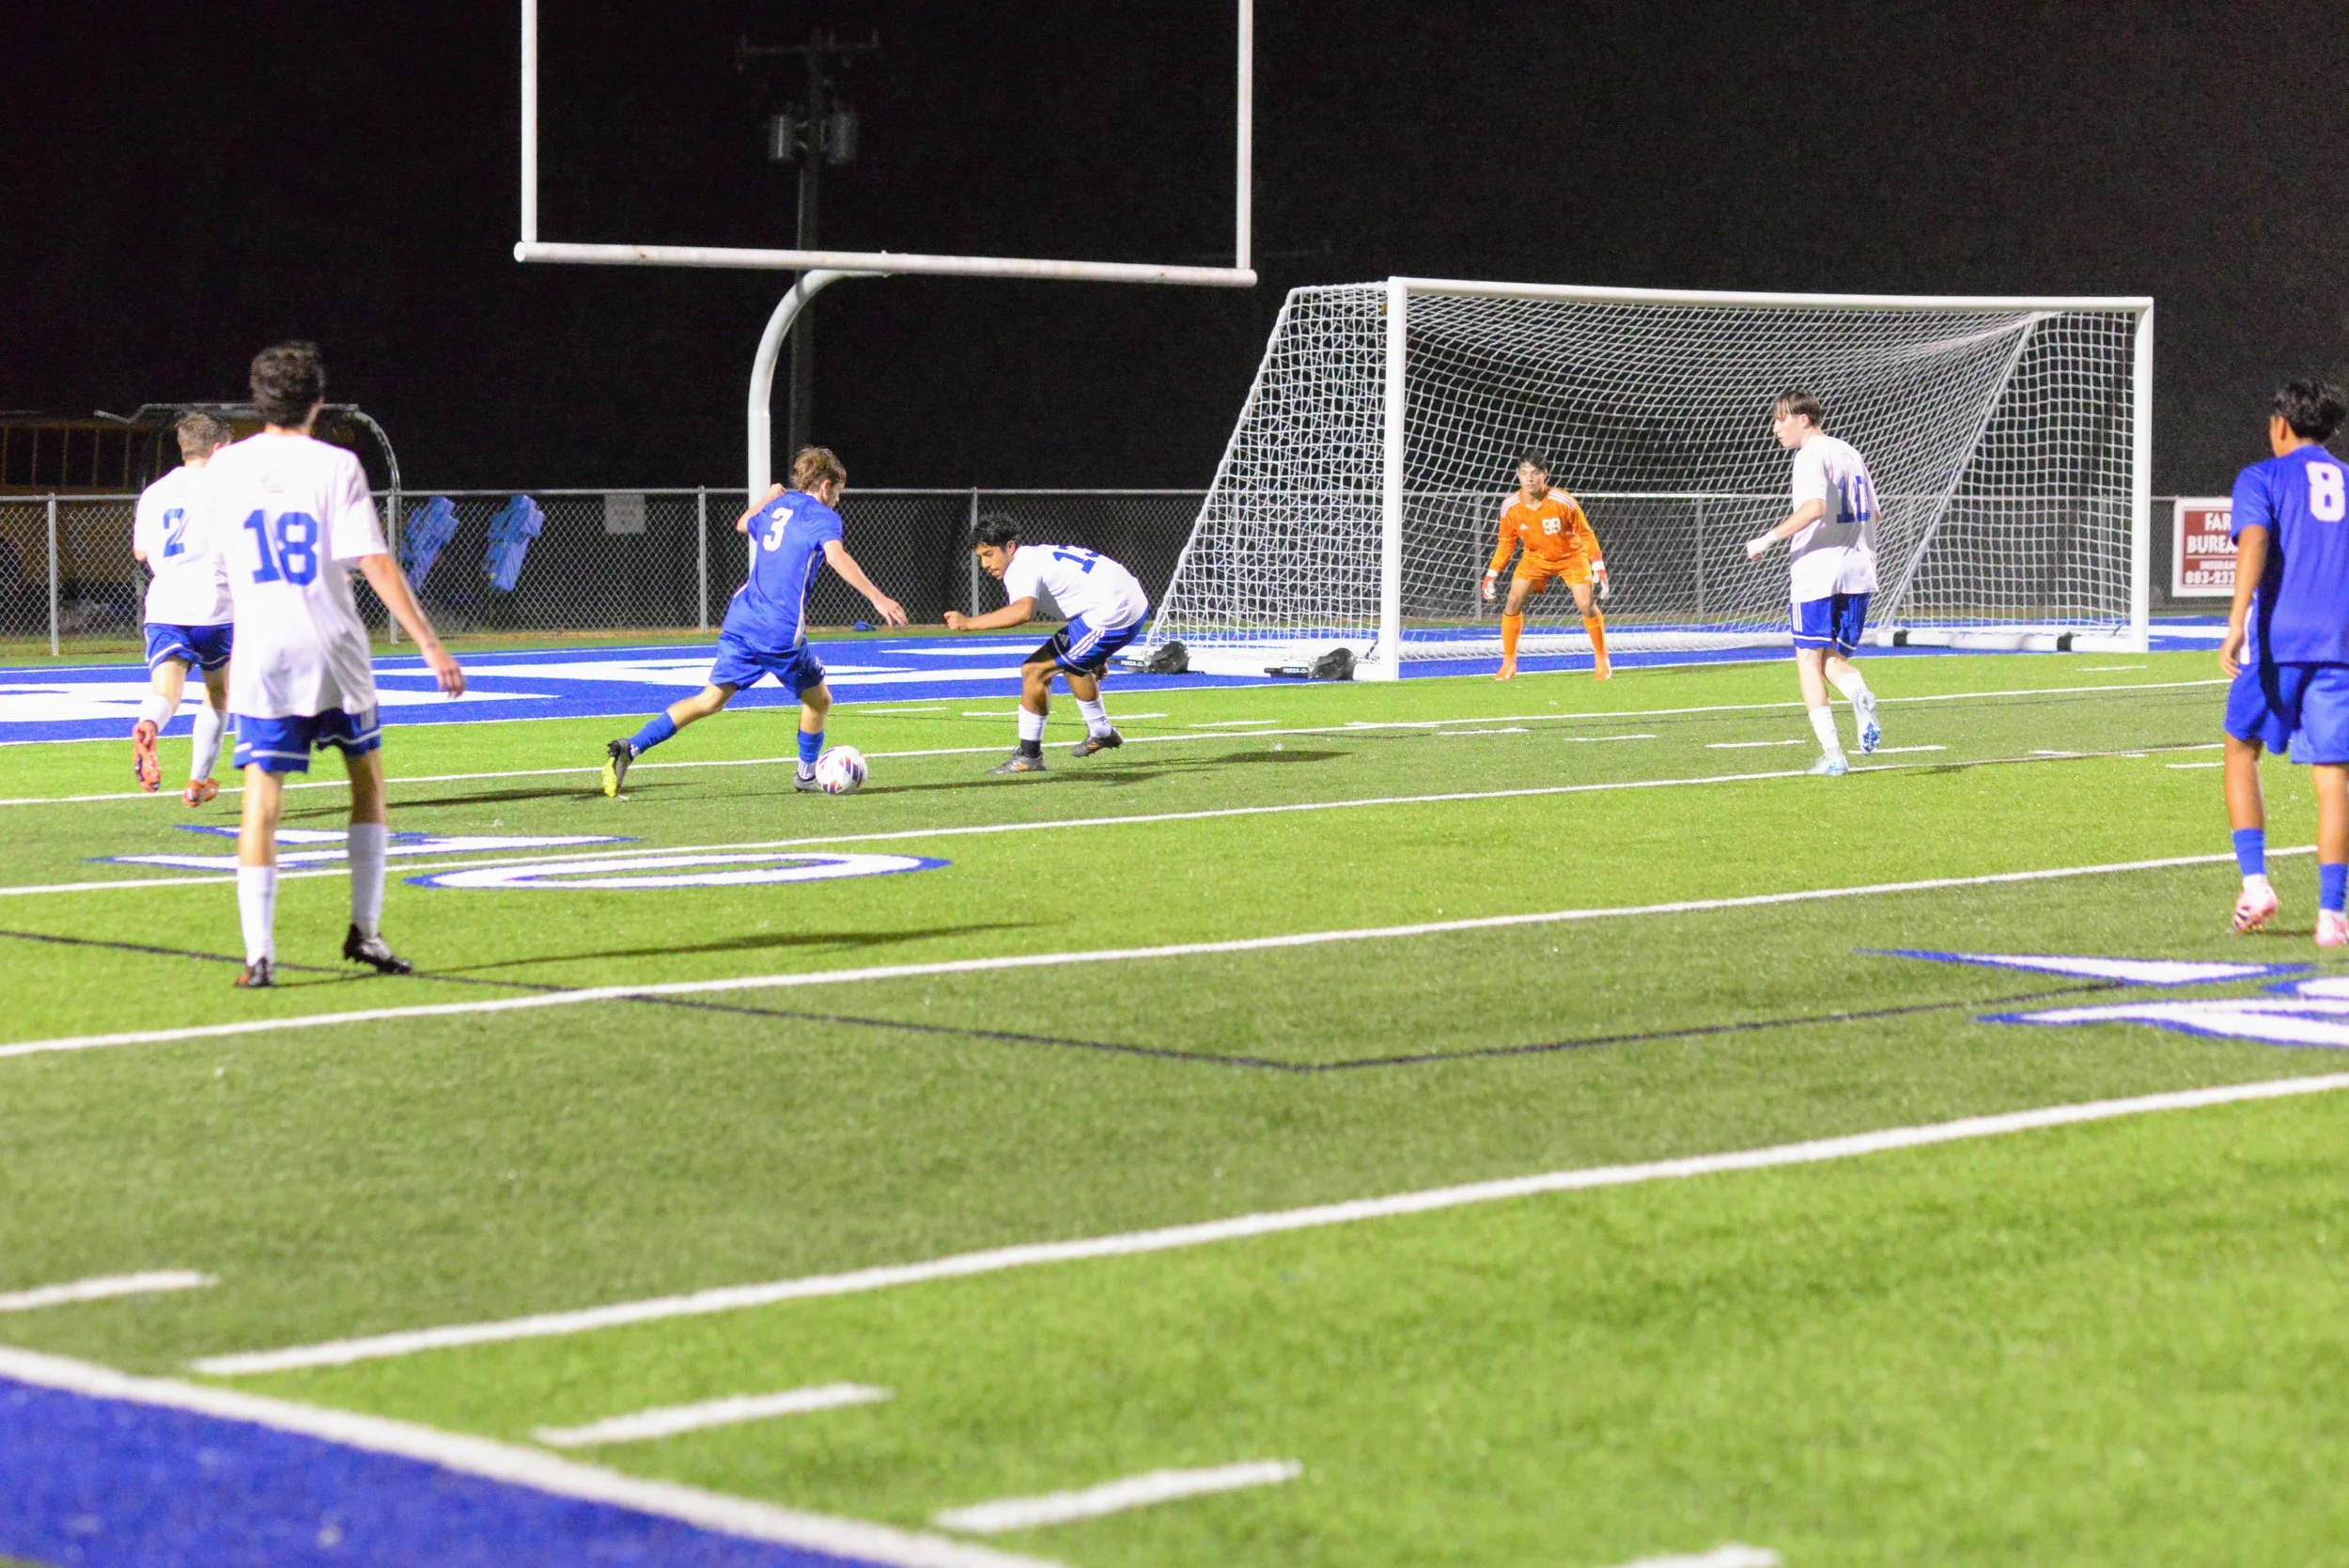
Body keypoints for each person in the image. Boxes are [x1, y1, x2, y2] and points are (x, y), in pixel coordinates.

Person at [209, 343, 465, 988]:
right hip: (331, 646)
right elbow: (372, 561)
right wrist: (430, 643)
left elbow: (218, 559)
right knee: (368, 784)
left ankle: (259, 955)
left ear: (258, 401)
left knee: (261, 800)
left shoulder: (225, 466)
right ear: (318, 402)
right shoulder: (337, 464)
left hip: (263, 651)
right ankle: (365, 930)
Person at [601, 447, 905, 797]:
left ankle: (631, 747)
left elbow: (743, 523)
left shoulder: (778, 506)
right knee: (819, 701)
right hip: (778, 629)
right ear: (825, 486)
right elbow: (836, 557)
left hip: (742, 620)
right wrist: (877, 597)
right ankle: (806, 774)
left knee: (709, 701)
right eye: (838, 491)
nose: (838, 499)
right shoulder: (823, 516)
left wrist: (768, 497)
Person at [2219, 380, 2349, 948]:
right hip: (2340, 645)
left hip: (2279, 641)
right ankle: (2332, 916)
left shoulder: (2262, 476)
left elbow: (2254, 541)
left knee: (2239, 748)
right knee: (2334, 779)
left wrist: (2234, 621)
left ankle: (2256, 886)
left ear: (2280, 425)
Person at [1746, 389, 1883, 775]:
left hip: (1817, 573)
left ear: (1803, 419)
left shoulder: (1808, 455)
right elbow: (1875, 513)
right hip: (1858, 573)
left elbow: (1814, 508)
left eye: (1780, 419)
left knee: (1807, 659)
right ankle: (1859, 693)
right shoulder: (1850, 452)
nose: (1775, 429)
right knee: (1830, 659)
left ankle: (1834, 755)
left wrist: (1766, 539)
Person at [944, 516, 1148, 773]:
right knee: (1072, 664)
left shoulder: (1020, 567)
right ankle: (1101, 731)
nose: (985, 564)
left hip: (1113, 611)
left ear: (1010, 547)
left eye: (989, 554)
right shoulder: (1035, 556)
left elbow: (1022, 612)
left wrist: (969, 623)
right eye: (980, 557)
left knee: (1034, 670)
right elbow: (1084, 588)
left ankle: (1029, 756)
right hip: (1122, 601)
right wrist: (1098, 652)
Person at [128, 411, 237, 802]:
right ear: (218, 449)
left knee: (166, 693)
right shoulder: (230, 488)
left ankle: (148, 723)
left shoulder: (155, 492)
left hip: (165, 604)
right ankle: (197, 781)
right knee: (218, 691)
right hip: (216, 604)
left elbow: (141, 552)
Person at [1482, 454, 1610, 680]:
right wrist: (1491, 574)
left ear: (1545, 474)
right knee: (1513, 601)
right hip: (1535, 559)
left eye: (1535, 473)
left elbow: (1585, 534)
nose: (1529, 478)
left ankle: (1602, 658)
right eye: (1524, 473)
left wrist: (1597, 565)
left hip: (1571, 557)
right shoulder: (1510, 506)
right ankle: (1509, 662)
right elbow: (1506, 542)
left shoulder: (1563, 500)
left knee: (1586, 604)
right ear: (1518, 475)